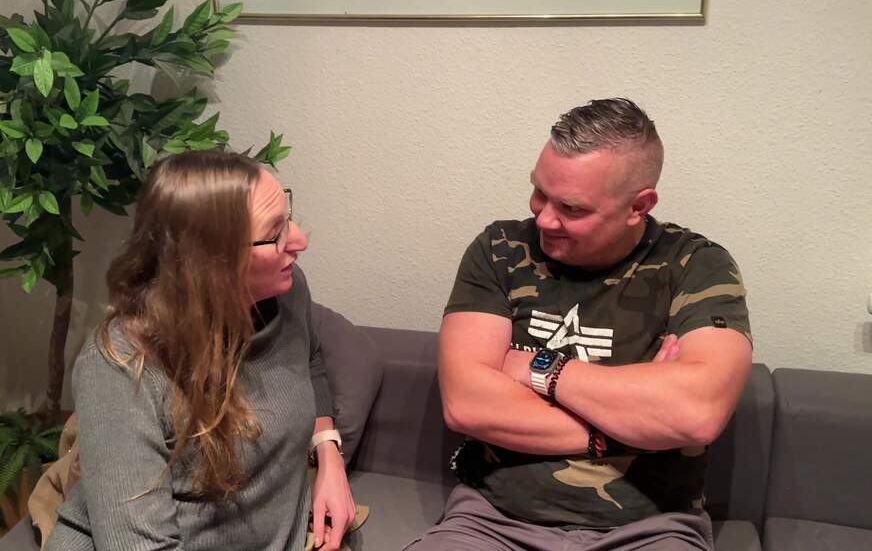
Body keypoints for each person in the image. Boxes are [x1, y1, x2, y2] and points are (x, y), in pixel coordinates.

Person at [410, 98, 752, 550]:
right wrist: (636, 428)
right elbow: (466, 405)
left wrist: (538, 368)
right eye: (539, 192)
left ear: (638, 206)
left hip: (651, 528)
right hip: (493, 520)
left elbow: (696, 413)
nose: (544, 217)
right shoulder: (500, 250)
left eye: (572, 208)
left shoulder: (696, 265)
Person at [45, 151, 355, 551]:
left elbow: (309, 358)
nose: (299, 240)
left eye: (288, 217)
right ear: (209, 262)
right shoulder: (120, 365)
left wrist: (328, 453)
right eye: (275, 232)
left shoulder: (289, 291)